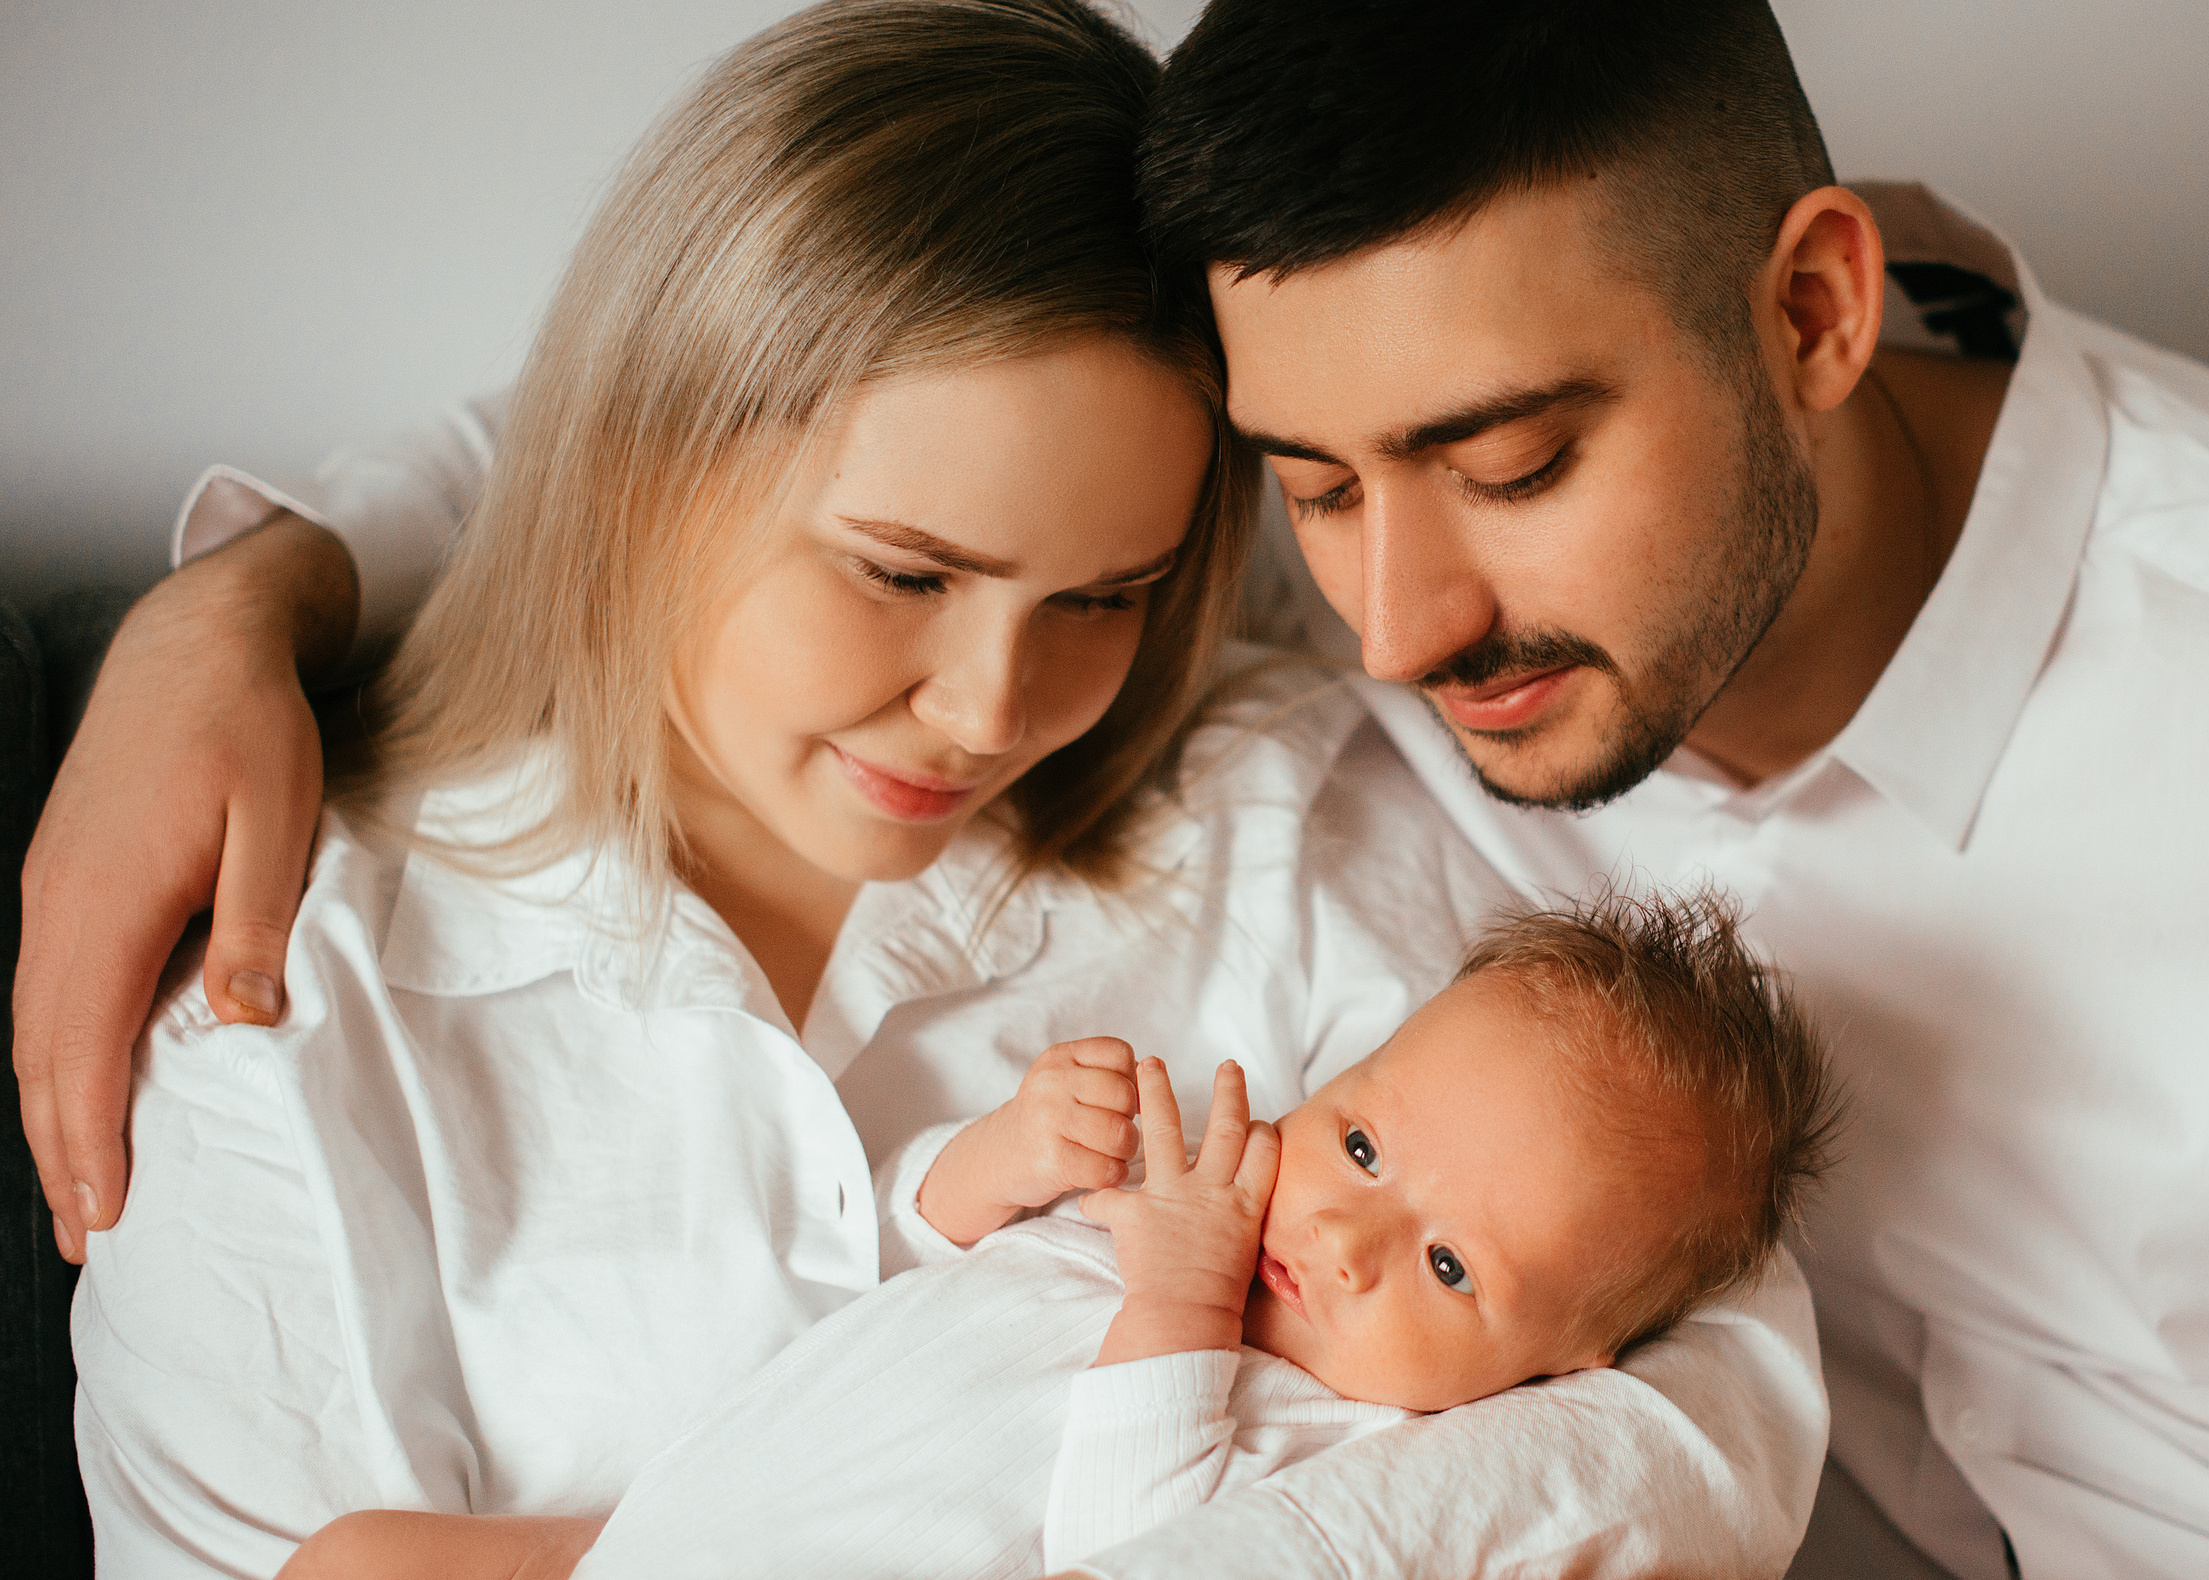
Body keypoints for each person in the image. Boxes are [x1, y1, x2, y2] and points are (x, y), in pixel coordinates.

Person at [21, 1, 2209, 1577]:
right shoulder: (1353, 567)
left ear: (1811, 317)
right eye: (1309, 498)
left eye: (1504, 460)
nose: (1395, 626)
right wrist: (238, 600)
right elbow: (725, 419)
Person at [54, 5, 1829, 1580]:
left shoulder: (1286, 815)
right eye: (903, 573)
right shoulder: (288, 1010)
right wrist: (234, 597)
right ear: (646, 460)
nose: (994, 710)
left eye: (1103, 598)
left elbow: (1692, 1388)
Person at [276, 891, 1841, 1580]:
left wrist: (1173, 1301)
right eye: (1361, 1141)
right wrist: (1001, 1160)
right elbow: (898, 1269)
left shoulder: (1338, 1447)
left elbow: (1125, 1549)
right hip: (636, 1536)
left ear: (1559, 1366)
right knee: (353, 1559)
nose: (1351, 1238)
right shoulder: (1181, 1204)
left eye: (1449, 1268)